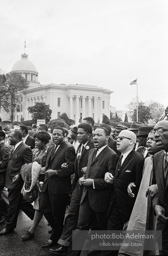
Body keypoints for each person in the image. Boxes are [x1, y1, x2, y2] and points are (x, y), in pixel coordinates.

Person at [70, 126, 118, 256]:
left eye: (99, 135)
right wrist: (84, 178)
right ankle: (75, 253)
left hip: (100, 199)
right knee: (81, 226)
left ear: (107, 137)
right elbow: (91, 172)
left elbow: (111, 181)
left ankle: (95, 250)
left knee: (99, 228)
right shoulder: (91, 152)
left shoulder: (112, 155)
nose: (95, 138)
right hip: (86, 196)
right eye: (94, 135)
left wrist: (93, 182)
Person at [50, 123, 94, 255]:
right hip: (77, 186)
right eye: (78, 133)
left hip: (87, 187)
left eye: (82, 133)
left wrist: (89, 171)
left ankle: (76, 250)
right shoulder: (79, 146)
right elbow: (74, 165)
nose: (78, 135)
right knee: (71, 215)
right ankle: (64, 244)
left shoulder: (92, 148)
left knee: (82, 220)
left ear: (89, 135)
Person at [104, 130, 144, 256]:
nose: (117, 140)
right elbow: (114, 174)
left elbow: (138, 186)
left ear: (131, 142)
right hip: (115, 205)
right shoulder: (119, 156)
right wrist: (107, 174)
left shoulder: (138, 159)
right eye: (117, 138)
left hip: (128, 208)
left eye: (122, 138)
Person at [39, 126, 76, 248]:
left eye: (58, 134)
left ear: (64, 135)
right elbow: (48, 165)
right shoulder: (51, 148)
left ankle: (55, 237)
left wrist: (56, 172)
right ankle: (58, 231)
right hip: (47, 184)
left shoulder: (69, 148)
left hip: (59, 187)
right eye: (54, 134)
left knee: (57, 213)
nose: (55, 136)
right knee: (44, 208)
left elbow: (71, 168)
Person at [0, 130, 34, 235]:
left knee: (13, 205)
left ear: (18, 138)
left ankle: (9, 227)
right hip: (10, 180)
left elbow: (28, 166)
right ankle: (38, 215)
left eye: (11, 137)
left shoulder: (25, 149)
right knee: (21, 203)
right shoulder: (13, 147)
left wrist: (19, 175)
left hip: (16, 182)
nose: (8, 139)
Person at [21, 131, 51, 241]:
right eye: (35, 140)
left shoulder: (49, 152)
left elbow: (47, 168)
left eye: (38, 140)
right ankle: (56, 227)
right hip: (34, 182)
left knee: (40, 206)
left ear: (44, 142)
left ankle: (31, 230)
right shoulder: (34, 151)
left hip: (44, 183)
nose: (36, 142)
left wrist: (37, 170)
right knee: (42, 206)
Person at [151, 120, 168, 255]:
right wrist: (156, 205)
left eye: (162, 130)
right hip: (163, 223)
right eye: (155, 130)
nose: (156, 135)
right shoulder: (157, 157)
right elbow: (157, 187)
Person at [0, 130, 10, 223]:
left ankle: (5, 214)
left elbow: (5, 162)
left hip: (2, 175)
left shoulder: (4, 148)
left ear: (2, 137)